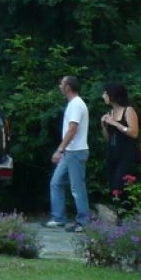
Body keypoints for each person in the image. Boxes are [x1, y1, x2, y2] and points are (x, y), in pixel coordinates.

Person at [47, 75, 89, 231]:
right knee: (56, 182)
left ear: (68, 87)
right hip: (70, 152)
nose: (59, 86)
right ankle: (58, 218)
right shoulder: (73, 104)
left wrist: (59, 150)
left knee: (77, 188)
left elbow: (73, 129)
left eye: (61, 83)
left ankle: (83, 222)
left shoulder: (77, 104)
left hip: (75, 152)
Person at [100, 82, 141, 195]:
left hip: (127, 155)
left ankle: (128, 212)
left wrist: (115, 123)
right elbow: (109, 139)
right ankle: (120, 212)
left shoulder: (128, 110)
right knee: (113, 188)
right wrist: (104, 126)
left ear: (112, 95)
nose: (103, 96)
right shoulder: (111, 113)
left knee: (121, 187)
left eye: (105, 93)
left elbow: (134, 133)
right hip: (114, 154)